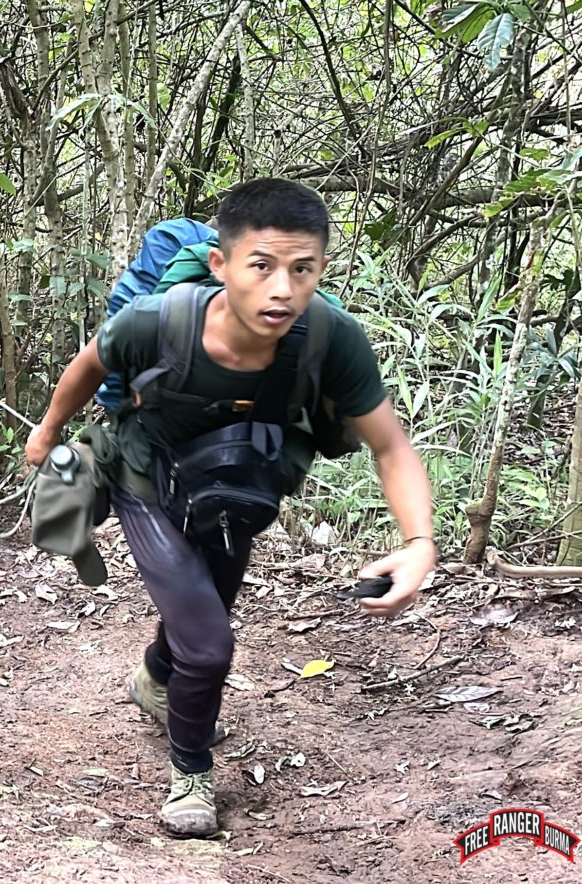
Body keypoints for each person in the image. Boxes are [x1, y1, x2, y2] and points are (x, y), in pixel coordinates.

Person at [24, 178, 436, 838]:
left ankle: (155, 679)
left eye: (302, 270)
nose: (282, 290)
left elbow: (390, 446)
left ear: (322, 269)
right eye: (262, 266)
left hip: (235, 495)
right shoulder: (158, 323)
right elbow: (89, 365)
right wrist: (47, 432)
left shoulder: (332, 338)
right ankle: (190, 773)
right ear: (221, 265)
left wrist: (420, 541)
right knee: (211, 646)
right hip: (146, 481)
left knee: (198, 624)